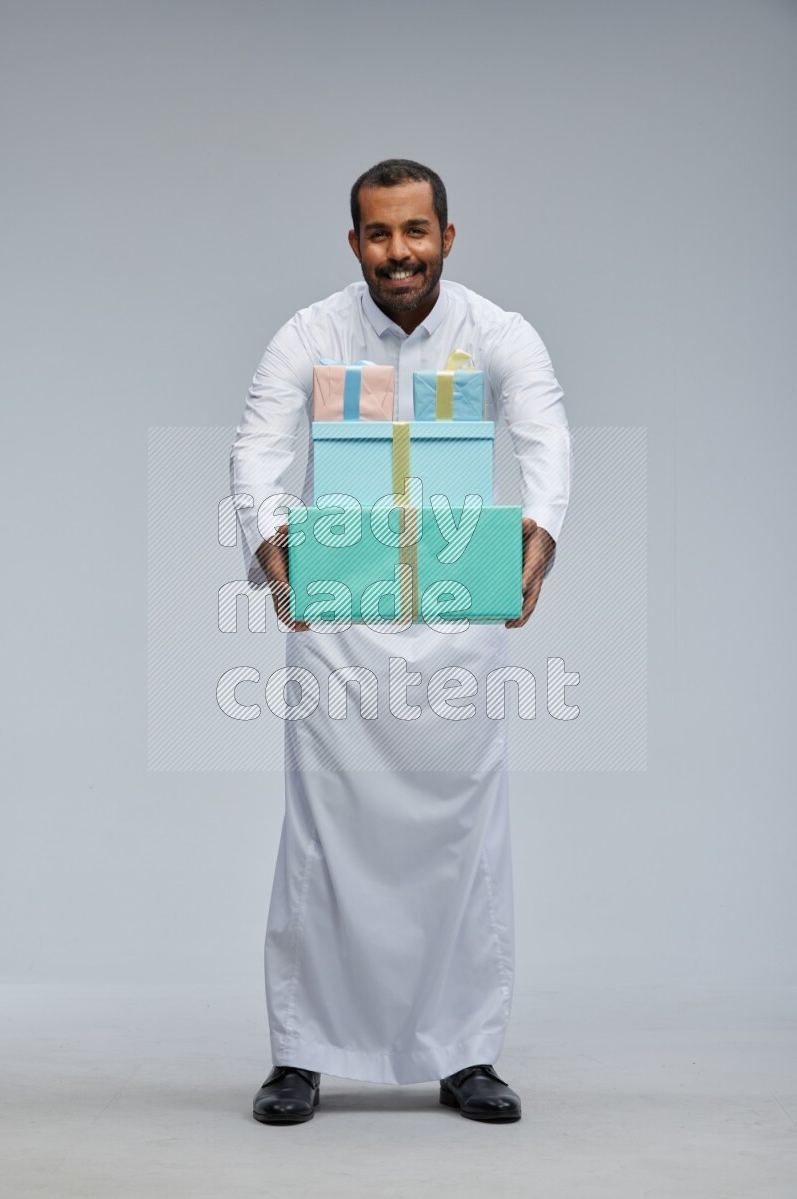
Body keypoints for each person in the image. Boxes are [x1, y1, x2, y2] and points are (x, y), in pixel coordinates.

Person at [230, 159, 571, 1124]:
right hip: (340, 617)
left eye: (415, 232)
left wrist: (542, 527)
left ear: (448, 238)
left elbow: (544, 432)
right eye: (379, 234)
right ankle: (301, 1052)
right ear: (355, 244)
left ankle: (466, 1054)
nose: (399, 253)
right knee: (323, 834)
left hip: (460, 614)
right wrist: (267, 535)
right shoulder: (313, 333)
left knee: (467, 836)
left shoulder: (497, 333)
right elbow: (257, 442)